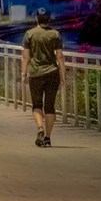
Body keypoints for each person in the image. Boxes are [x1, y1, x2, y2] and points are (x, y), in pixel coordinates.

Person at [21, 8, 66, 148]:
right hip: (52, 73)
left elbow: (25, 57)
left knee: (37, 105)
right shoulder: (55, 34)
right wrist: (62, 75)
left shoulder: (29, 34)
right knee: (50, 106)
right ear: (49, 19)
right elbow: (60, 57)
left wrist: (23, 74)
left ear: (36, 19)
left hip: (35, 74)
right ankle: (47, 138)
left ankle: (40, 126)